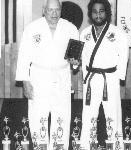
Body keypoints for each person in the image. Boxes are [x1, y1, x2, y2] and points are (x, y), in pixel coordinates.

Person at [15, 0, 79, 149]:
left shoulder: (71, 28)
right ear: (44, 10)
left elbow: (75, 60)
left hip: (62, 77)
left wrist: (75, 61)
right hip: (39, 77)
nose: (54, 13)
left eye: (57, 10)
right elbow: (24, 56)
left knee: (62, 116)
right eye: (50, 10)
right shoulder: (32, 28)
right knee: (38, 116)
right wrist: (25, 81)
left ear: (61, 10)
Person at [79, 0, 129, 149]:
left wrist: (119, 77)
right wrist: (83, 74)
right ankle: (86, 146)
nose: (98, 14)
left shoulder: (117, 33)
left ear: (107, 12)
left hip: (110, 78)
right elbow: (80, 58)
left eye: (101, 11)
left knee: (113, 114)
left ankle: (116, 146)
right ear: (90, 14)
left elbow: (124, 55)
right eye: (95, 11)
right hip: (92, 79)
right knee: (88, 115)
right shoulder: (85, 33)